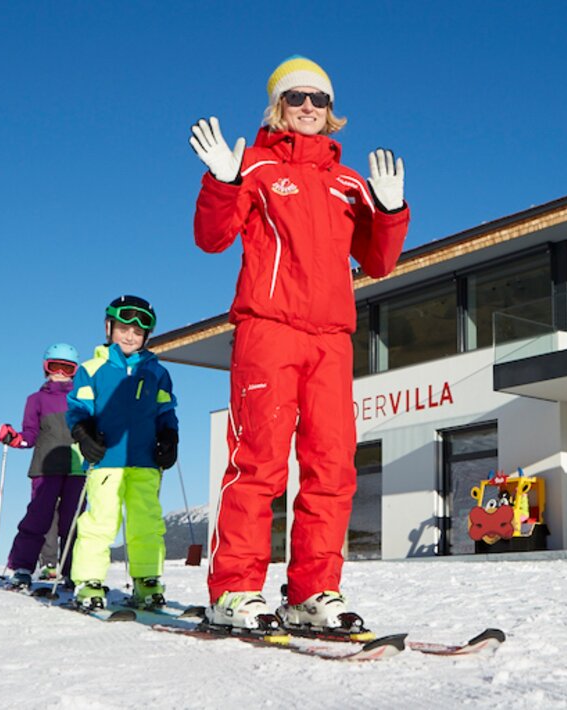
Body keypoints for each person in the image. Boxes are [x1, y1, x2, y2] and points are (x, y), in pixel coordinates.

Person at [189, 55, 408, 634]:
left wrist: (389, 212)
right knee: (258, 460)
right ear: (277, 107)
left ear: (332, 111)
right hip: (269, 329)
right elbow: (212, 239)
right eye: (296, 98)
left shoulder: (349, 181)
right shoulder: (254, 166)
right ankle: (234, 590)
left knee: (333, 468)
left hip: (332, 338)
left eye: (320, 99)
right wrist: (223, 181)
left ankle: (312, 593)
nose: (309, 107)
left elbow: (379, 263)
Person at [66, 295, 179, 610]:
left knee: (147, 522)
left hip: (145, 460)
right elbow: (78, 408)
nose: (130, 336)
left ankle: (146, 580)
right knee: (100, 522)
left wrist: (170, 437)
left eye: (138, 332)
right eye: (123, 328)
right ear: (108, 328)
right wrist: (83, 434)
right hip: (107, 460)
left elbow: (165, 411)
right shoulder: (92, 369)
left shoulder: (157, 372)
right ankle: (89, 582)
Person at [0, 343, 87, 589]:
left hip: (77, 468)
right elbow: (30, 434)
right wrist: (15, 438)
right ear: (45, 368)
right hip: (45, 468)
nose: (59, 372)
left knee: (74, 521)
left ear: (74, 371)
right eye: (54, 366)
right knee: (39, 516)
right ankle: (23, 567)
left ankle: (73, 571)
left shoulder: (82, 398)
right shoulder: (35, 400)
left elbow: (92, 430)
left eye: (66, 368)